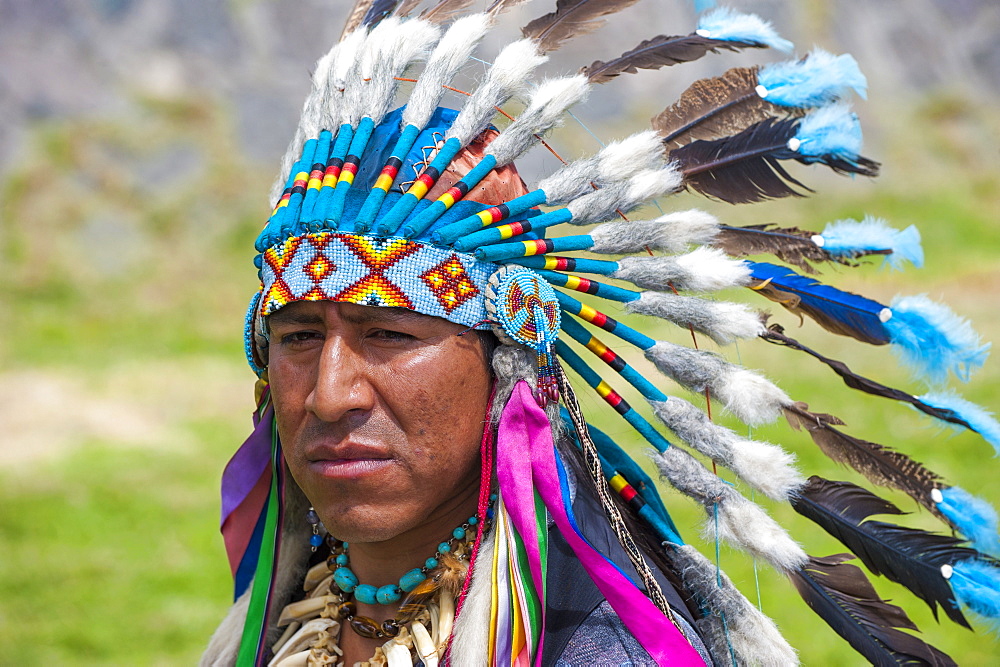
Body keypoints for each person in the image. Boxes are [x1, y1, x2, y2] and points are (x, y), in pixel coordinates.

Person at [202, 4, 1000, 666]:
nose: (330, 392)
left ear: (508, 368)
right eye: (299, 336)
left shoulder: (601, 648)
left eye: (388, 333)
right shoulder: (288, 603)